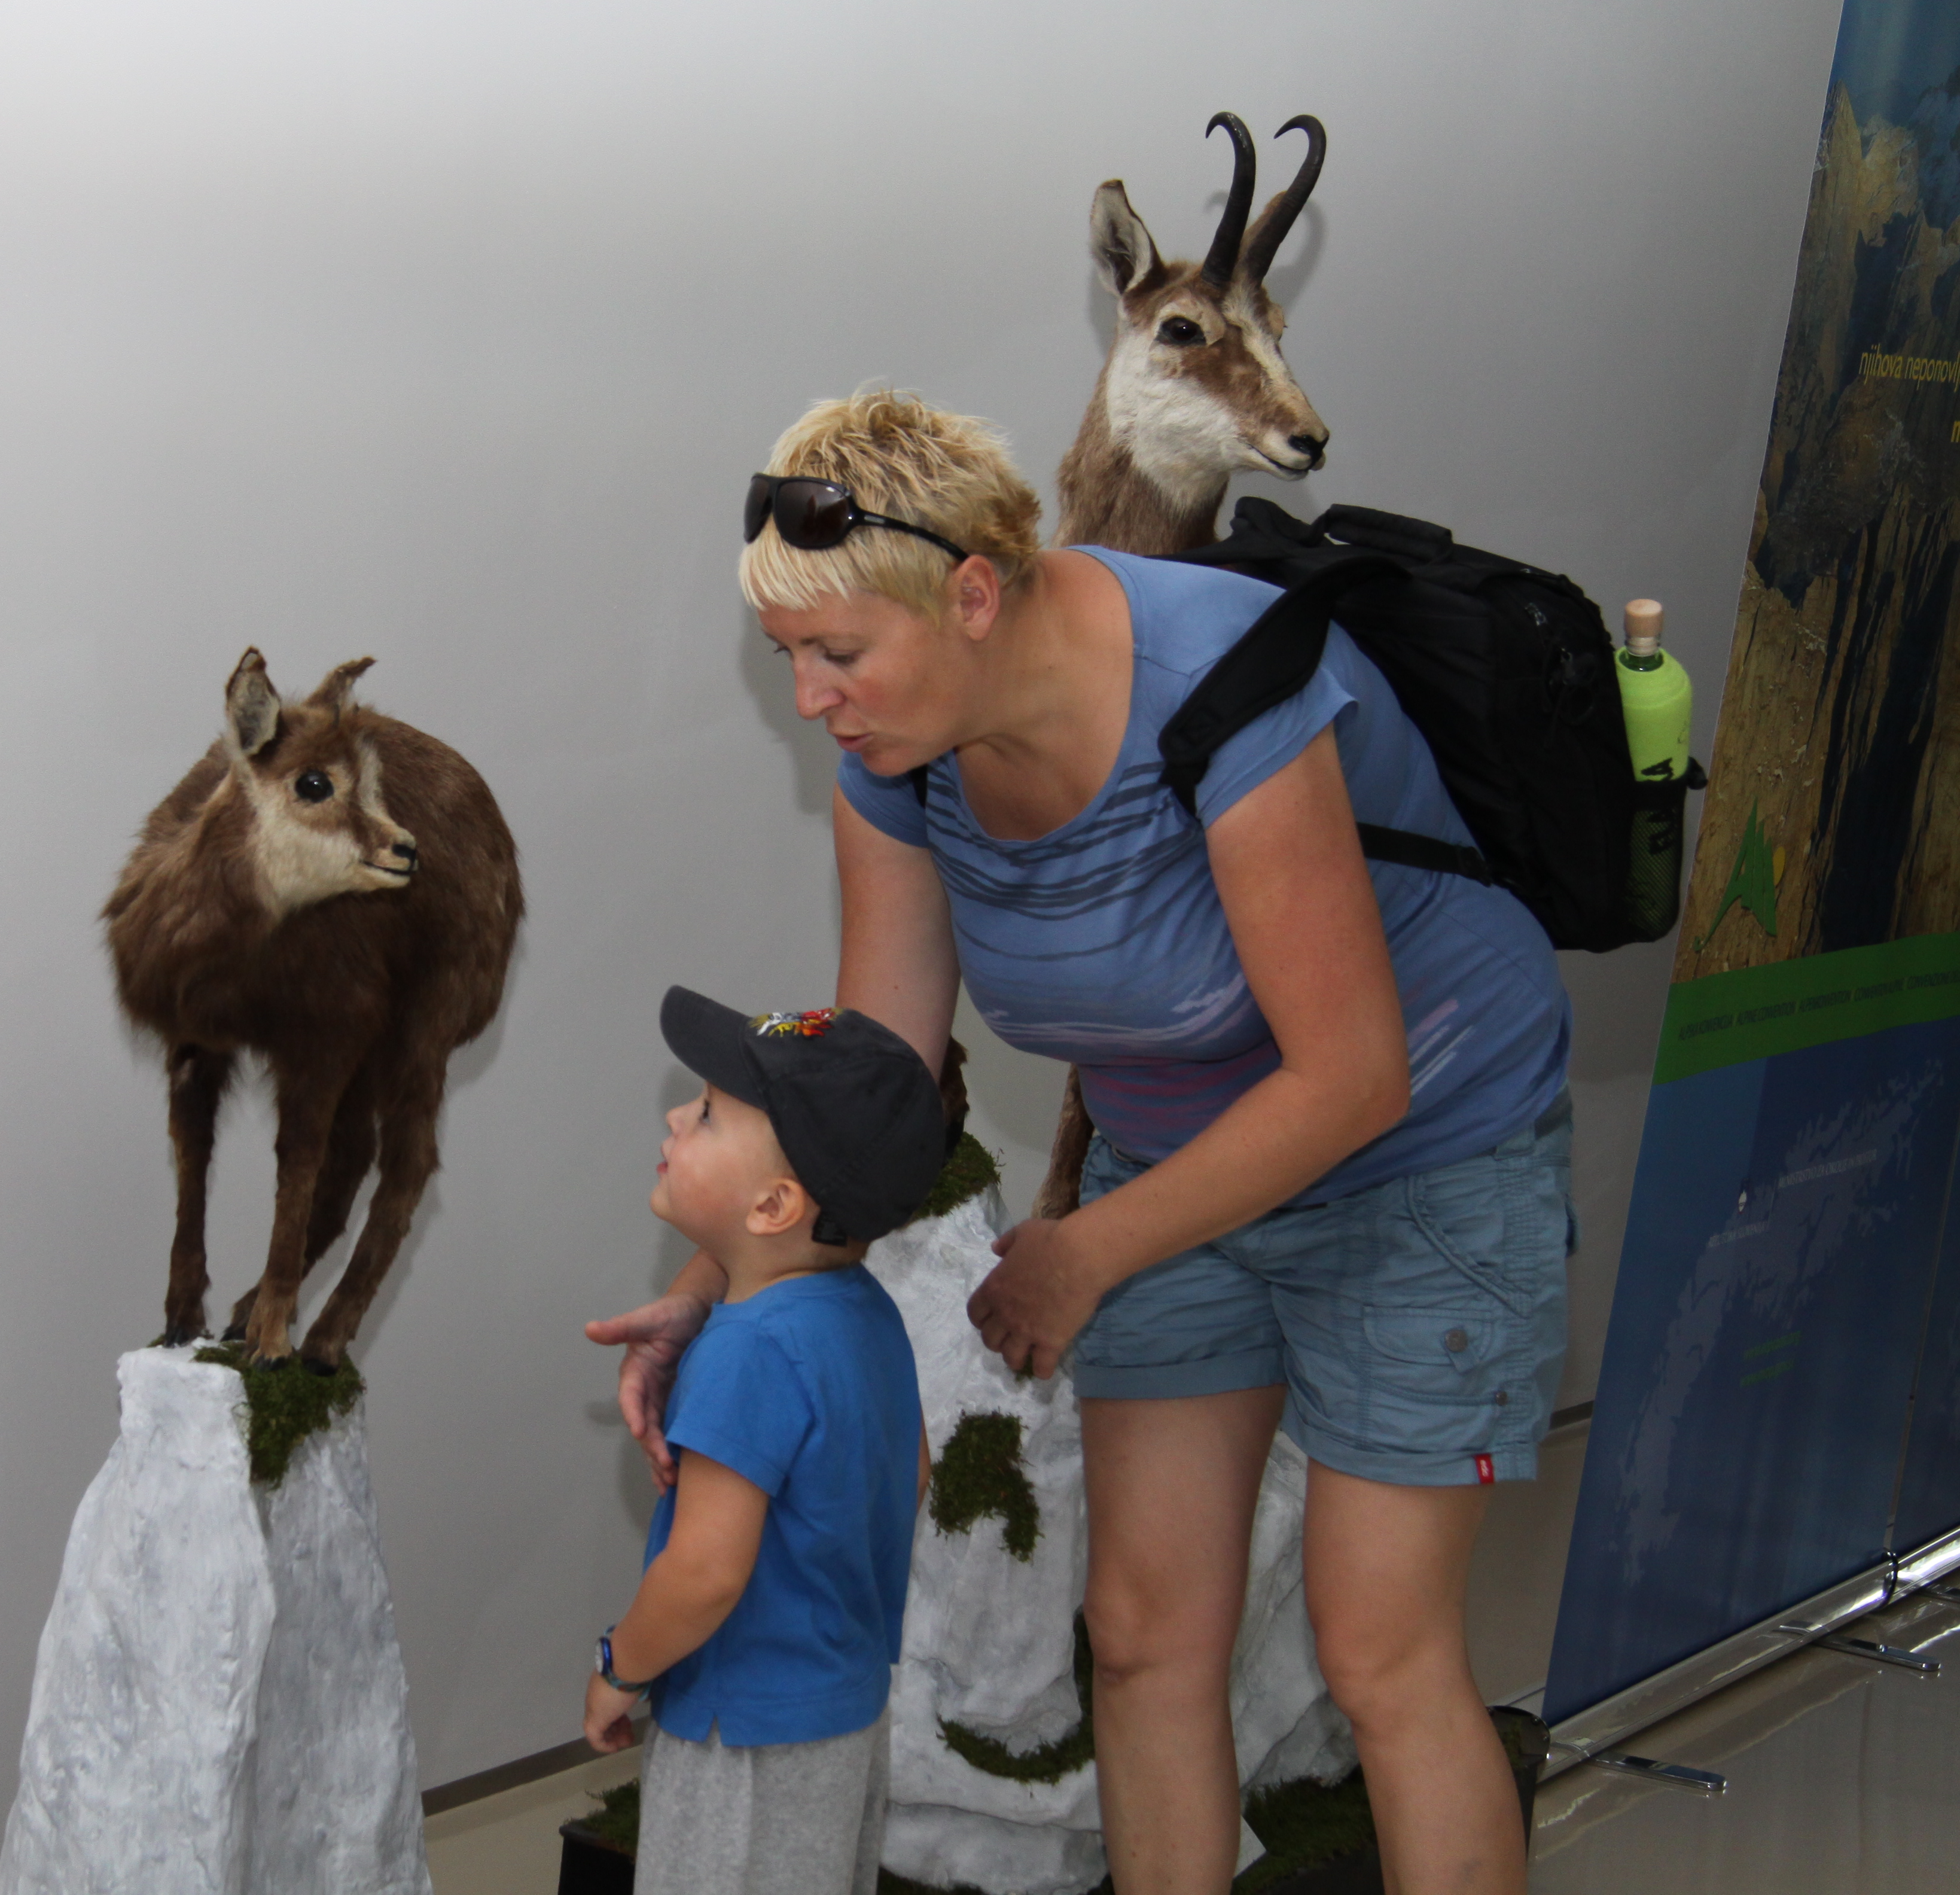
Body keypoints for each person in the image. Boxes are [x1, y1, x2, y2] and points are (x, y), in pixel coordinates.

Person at [590, 391, 1572, 1895]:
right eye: (788, 658)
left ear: (975, 597)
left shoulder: (1221, 682)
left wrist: (1084, 1253)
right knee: (1142, 1635)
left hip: (1423, 1151)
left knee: (1380, 1650)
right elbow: (873, 1100)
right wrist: (722, 1283)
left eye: (837, 652)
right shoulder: (900, 761)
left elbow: (1351, 1076)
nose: (810, 699)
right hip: (1171, 1167)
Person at [583, 988, 940, 1895]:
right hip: (844, 1716)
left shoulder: (746, 1350)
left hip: (741, 1735)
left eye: (707, 1114)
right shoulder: (866, 1313)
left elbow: (705, 1574)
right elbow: (912, 1471)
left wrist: (620, 1667)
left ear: (775, 1204)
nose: (677, 1115)